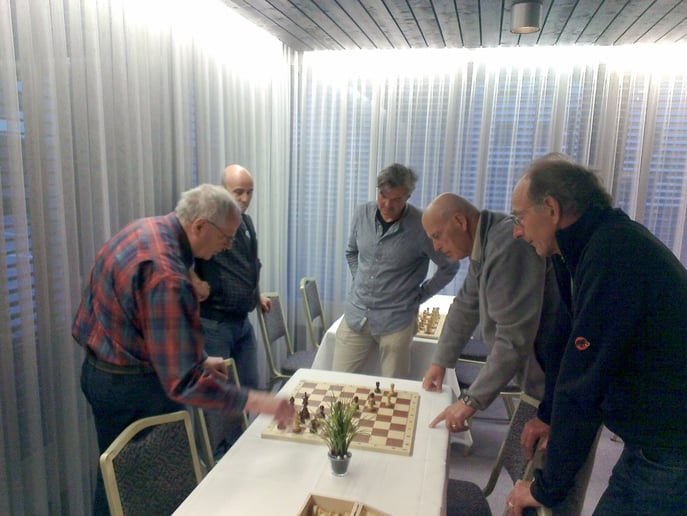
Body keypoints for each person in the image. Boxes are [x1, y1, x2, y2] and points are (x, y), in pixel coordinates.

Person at [73, 184, 293, 515]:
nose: (228, 246)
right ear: (200, 226)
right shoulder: (168, 276)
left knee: (116, 479)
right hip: (131, 386)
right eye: (226, 238)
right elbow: (183, 383)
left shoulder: (146, 229)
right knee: (137, 487)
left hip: (101, 369)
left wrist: (199, 358)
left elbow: (141, 319)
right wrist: (258, 401)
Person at [506, 158, 687, 515]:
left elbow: (584, 380)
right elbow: (563, 340)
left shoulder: (613, 254)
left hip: (670, 442)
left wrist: (545, 489)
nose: (517, 231)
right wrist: (547, 413)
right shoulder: (578, 248)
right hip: (654, 436)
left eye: (519, 217)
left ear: (552, 209)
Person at [421, 193, 559, 432]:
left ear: (460, 221)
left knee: (545, 453)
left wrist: (470, 400)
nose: (436, 247)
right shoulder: (486, 242)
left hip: (555, 382)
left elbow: (513, 337)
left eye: (437, 236)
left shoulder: (507, 245)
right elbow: (465, 305)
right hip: (541, 381)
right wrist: (440, 361)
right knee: (530, 450)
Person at [332, 163, 460, 378]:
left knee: (394, 390)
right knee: (336, 382)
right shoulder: (362, 213)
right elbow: (351, 252)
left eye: (396, 199)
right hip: (357, 316)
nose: (387, 204)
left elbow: (450, 266)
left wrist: (419, 296)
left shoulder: (422, 225)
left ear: (408, 197)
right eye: (383, 195)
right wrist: (360, 279)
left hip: (396, 322)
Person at [193, 164, 269, 391]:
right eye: (238, 192)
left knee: (250, 387)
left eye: (250, 192)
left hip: (242, 321)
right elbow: (179, 250)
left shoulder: (245, 222)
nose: (245, 198)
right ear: (222, 190)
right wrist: (194, 280)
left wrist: (257, 295)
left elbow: (251, 265)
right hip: (215, 324)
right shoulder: (207, 222)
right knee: (219, 392)